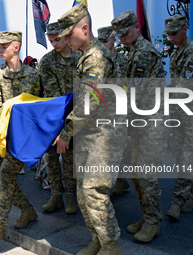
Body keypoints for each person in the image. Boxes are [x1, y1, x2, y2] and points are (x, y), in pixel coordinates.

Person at [56, 3, 127, 254]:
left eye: (68, 34)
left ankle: (111, 246)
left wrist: (65, 134)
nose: (64, 40)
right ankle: (97, 239)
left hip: (105, 138)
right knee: (85, 195)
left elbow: (89, 101)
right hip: (91, 135)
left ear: (84, 28)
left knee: (93, 192)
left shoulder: (96, 57)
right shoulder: (85, 55)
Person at [0, 31, 41, 253]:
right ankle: (27, 209)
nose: (0, 49)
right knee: (5, 180)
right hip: (0, 138)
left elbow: (35, 107)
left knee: (5, 179)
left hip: (21, 140)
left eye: (4, 46)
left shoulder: (33, 76)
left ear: (16, 47)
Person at [111, 10, 167, 243]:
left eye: (125, 33)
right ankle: (147, 216)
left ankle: (153, 221)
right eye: (119, 35)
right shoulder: (134, 51)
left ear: (136, 26)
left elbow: (135, 93)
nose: (121, 38)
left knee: (146, 175)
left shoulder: (144, 53)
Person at [163, 15, 193, 221]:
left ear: (185, 28)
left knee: (188, 159)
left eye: (174, 33)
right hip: (181, 114)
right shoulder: (177, 53)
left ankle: (178, 202)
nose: (171, 38)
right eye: (169, 34)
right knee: (181, 158)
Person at [40, 21, 81, 214]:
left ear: (66, 36)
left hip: (79, 114)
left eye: (57, 40)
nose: (54, 44)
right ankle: (56, 195)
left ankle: (71, 196)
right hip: (55, 114)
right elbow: (53, 95)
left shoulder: (81, 58)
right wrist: (57, 128)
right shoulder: (47, 61)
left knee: (71, 157)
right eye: (51, 41)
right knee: (52, 156)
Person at [97, 25, 131, 197]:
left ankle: (120, 178)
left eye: (105, 41)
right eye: (100, 42)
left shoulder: (124, 60)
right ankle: (118, 179)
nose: (102, 45)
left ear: (114, 40)